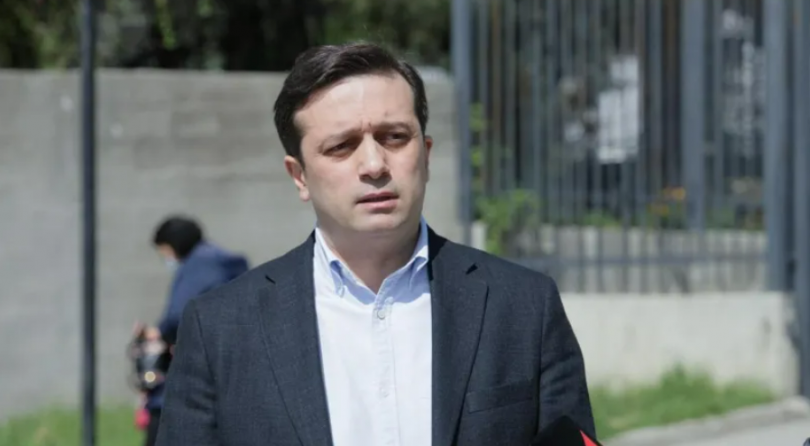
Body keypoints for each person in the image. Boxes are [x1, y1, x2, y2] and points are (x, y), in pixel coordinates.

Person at [155, 43, 594, 446]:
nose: (373, 164)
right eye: (341, 146)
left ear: (426, 154)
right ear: (299, 176)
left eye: (394, 137)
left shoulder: (523, 307)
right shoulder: (221, 329)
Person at [138, 216, 249, 446]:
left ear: (173, 245)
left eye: (164, 251)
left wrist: (158, 334)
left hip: (194, 379)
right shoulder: (227, 264)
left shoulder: (199, 267)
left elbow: (179, 315)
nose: (165, 258)